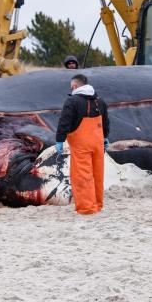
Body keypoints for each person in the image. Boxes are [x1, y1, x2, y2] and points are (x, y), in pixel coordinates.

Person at [54, 74, 110, 215]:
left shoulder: (72, 102)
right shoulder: (100, 101)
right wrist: (105, 138)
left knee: (82, 175)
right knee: (97, 174)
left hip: (81, 145)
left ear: (74, 86)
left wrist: (59, 140)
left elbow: (64, 122)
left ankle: (87, 208)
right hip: (98, 143)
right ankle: (97, 204)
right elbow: (106, 123)